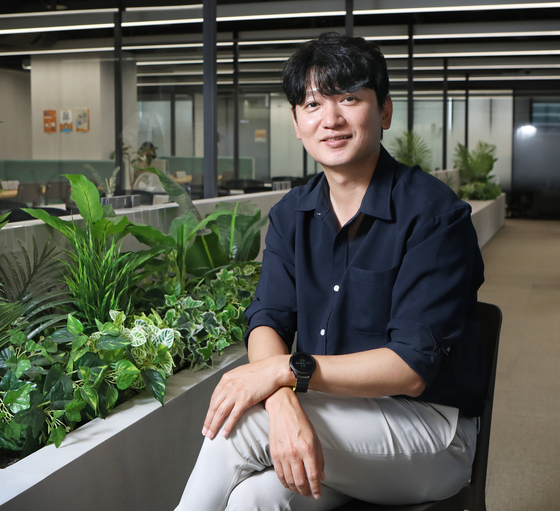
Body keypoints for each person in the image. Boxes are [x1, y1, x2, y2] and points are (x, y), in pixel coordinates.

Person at [175, 32, 485, 511]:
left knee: (242, 423)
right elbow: (267, 320)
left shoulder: (433, 215)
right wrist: (281, 402)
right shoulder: (290, 215)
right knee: (253, 499)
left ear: (383, 111)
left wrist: (284, 374)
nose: (331, 119)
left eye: (349, 99)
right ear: (297, 124)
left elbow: (411, 368)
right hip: (333, 422)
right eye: (313, 104)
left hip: (430, 432)